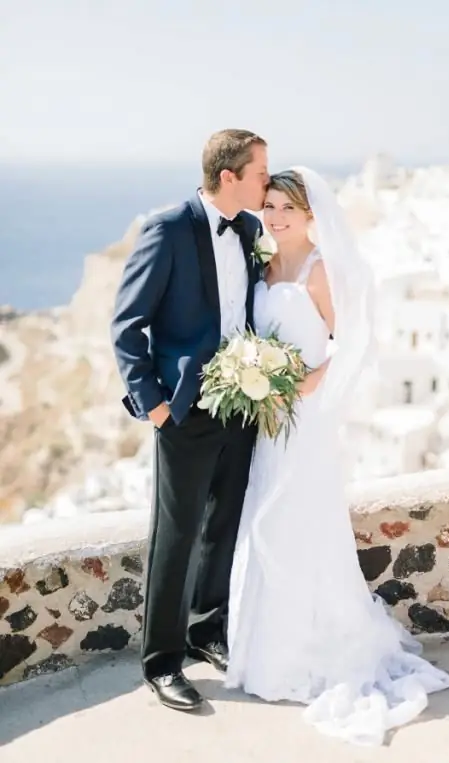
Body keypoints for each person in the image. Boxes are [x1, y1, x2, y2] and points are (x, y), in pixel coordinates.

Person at [224, 167, 449, 746]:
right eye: (270, 206)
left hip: (304, 424)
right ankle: (264, 654)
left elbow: (352, 343)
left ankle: (312, 653)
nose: (275, 217)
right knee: (265, 524)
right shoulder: (263, 262)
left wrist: (309, 385)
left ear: (308, 217)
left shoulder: (320, 270)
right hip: (266, 423)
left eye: (287, 210)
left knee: (300, 525)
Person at [110, 129, 269, 710]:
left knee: (222, 525)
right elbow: (127, 325)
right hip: (184, 410)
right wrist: (152, 403)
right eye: (259, 173)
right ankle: (162, 663)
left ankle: (207, 631)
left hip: (243, 403)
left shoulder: (251, 231)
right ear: (229, 177)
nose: (265, 183)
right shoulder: (169, 228)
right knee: (174, 536)